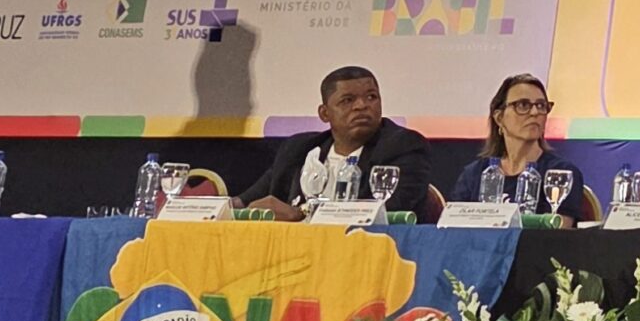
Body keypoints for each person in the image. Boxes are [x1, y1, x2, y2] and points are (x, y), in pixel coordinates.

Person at [238, 65, 433, 221]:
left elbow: (386, 212)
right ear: (325, 114)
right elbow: (244, 202)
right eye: (347, 100)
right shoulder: (299, 149)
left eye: (371, 97)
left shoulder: (403, 146)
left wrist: (300, 214)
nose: (361, 105)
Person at [452, 73, 584, 222]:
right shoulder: (474, 175)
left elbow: (558, 231)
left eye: (541, 106)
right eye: (523, 105)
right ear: (499, 118)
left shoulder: (560, 174)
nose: (534, 112)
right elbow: (454, 228)